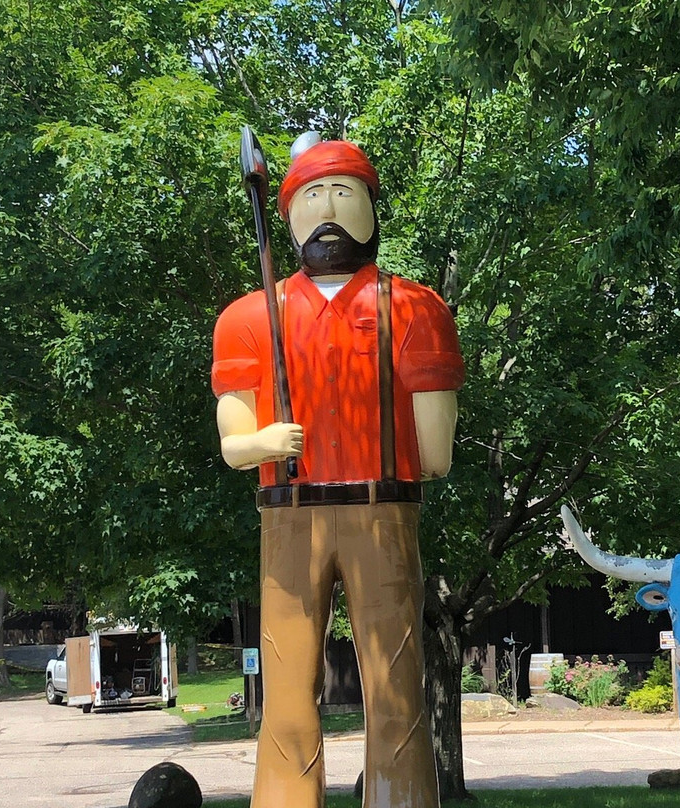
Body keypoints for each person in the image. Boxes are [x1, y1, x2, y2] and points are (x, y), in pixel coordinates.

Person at [212, 136, 464, 808]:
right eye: (313, 196)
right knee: (293, 686)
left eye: (343, 193)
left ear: (372, 210)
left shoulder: (415, 308)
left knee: (393, 685)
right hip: (293, 516)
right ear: (288, 215)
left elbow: (435, 453)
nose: (327, 209)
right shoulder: (249, 318)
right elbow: (235, 445)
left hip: (380, 510)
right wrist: (263, 441)